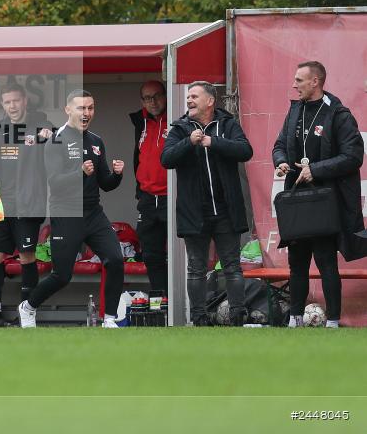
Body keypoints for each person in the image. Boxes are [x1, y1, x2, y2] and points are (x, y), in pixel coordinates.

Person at [18, 89, 125, 328]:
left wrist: (117, 175)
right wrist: (79, 172)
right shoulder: (56, 139)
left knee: (116, 260)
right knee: (62, 275)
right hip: (66, 212)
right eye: (81, 108)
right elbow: (54, 181)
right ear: (68, 110)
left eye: (90, 108)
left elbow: (105, 183)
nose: (86, 113)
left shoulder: (96, 141)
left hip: (93, 213)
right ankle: (28, 306)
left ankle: (109, 319)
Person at [273, 61, 364, 328]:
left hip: (325, 201)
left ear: (316, 82)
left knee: (326, 262)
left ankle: (333, 322)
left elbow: (353, 156)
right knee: (297, 263)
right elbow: (279, 145)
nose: (294, 85)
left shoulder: (339, 114)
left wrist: (316, 170)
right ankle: (294, 319)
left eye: (299, 80)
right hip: (296, 202)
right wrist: (280, 160)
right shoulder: (294, 111)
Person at [161, 81, 253, 327]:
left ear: (210, 101)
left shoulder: (228, 124)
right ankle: (199, 319)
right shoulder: (180, 128)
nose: (189, 100)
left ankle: (237, 317)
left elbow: (245, 150)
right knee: (196, 268)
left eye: (194, 96)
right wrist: (188, 142)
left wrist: (214, 142)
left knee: (232, 266)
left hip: (226, 210)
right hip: (194, 212)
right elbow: (166, 159)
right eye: (188, 96)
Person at [0, 83, 53, 327]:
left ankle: (26, 314)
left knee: (26, 256)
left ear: (25, 101)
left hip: (28, 204)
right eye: (7, 102)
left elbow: (56, 137)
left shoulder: (41, 126)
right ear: (2, 104)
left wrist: (49, 135)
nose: (12, 106)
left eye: (16, 101)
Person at [129, 80, 169, 294]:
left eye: (156, 96)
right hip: (147, 198)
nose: (152, 102)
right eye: (146, 98)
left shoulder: (177, 120)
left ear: (166, 95)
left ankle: (179, 307)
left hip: (171, 199)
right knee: (151, 255)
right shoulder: (141, 122)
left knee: (178, 255)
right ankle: (161, 303)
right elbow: (139, 158)